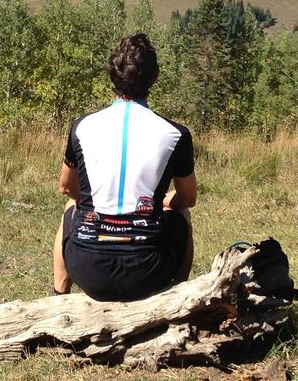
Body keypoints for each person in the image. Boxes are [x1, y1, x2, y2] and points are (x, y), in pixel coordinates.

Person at [52, 33, 196, 301]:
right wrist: (159, 202)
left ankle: (58, 296)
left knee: (71, 208)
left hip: (86, 267)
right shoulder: (176, 134)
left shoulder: (81, 126)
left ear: (112, 77)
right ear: (154, 78)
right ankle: (176, 301)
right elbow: (188, 198)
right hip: (148, 269)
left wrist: (96, 209)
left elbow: (65, 187)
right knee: (183, 214)